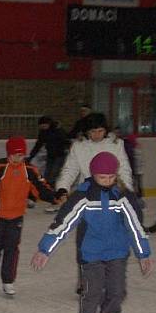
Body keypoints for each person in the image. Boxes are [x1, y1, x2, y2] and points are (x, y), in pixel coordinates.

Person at [31, 152, 152, 313]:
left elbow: (135, 226)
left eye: (111, 177)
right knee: (92, 293)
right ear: (94, 175)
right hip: (92, 254)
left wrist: (143, 253)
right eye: (102, 177)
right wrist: (45, 249)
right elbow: (63, 223)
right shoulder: (84, 196)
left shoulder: (121, 195)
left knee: (117, 292)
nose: (107, 181)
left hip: (117, 253)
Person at [54, 113, 133, 293]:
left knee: (114, 242)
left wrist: (127, 192)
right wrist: (63, 188)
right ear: (87, 132)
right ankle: (85, 280)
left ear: (105, 130)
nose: (97, 135)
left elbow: (124, 170)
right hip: (87, 199)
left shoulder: (116, 145)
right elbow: (70, 169)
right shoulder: (79, 147)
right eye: (93, 131)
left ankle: (114, 279)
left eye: (100, 131)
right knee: (84, 242)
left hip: (112, 198)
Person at [0, 137, 56, 296]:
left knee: (12, 249)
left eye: (21, 155)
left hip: (16, 217)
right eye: (15, 155)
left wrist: (54, 197)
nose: (18, 158)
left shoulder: (29, 170)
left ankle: (8, 281)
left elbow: (40, 188)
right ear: (9, 154)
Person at [28, 116, 69, 191]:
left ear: (48, 124)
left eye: (44, 125)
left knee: (54, 172)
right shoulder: (43, 132)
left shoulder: (58, 130)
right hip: (50, 155)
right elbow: (38, 144)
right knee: (47, 172)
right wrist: (31, 156)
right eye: (41, 126)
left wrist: (65, 148)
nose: (42, 127)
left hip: (59, 155)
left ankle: (51, 187)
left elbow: (65, 140)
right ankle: (46, 187)